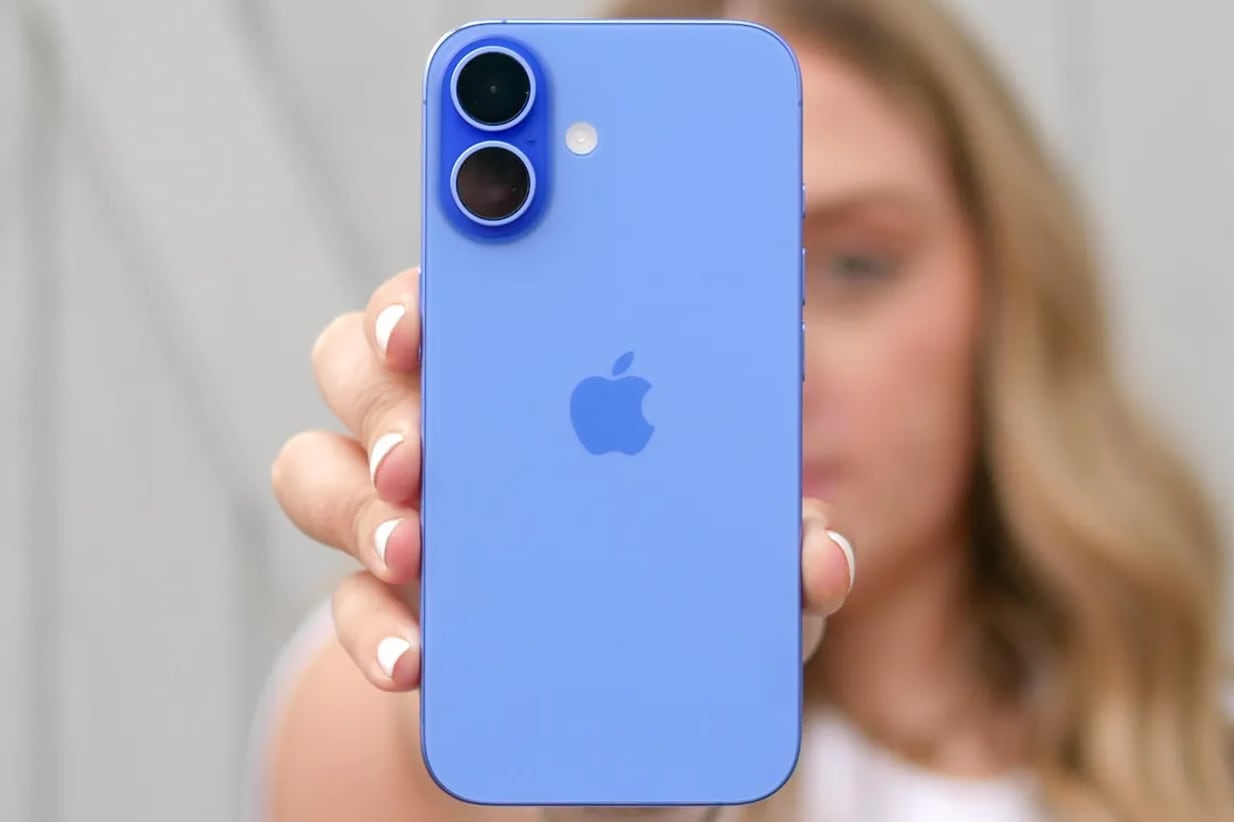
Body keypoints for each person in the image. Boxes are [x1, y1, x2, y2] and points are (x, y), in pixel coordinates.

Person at [258, 0, 1234, 819]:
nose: (782, 370)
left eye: (856, 264)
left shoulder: (1195, 744)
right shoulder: (416, 691)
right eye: (685, 279)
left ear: (1009, 290)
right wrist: (503, 658)